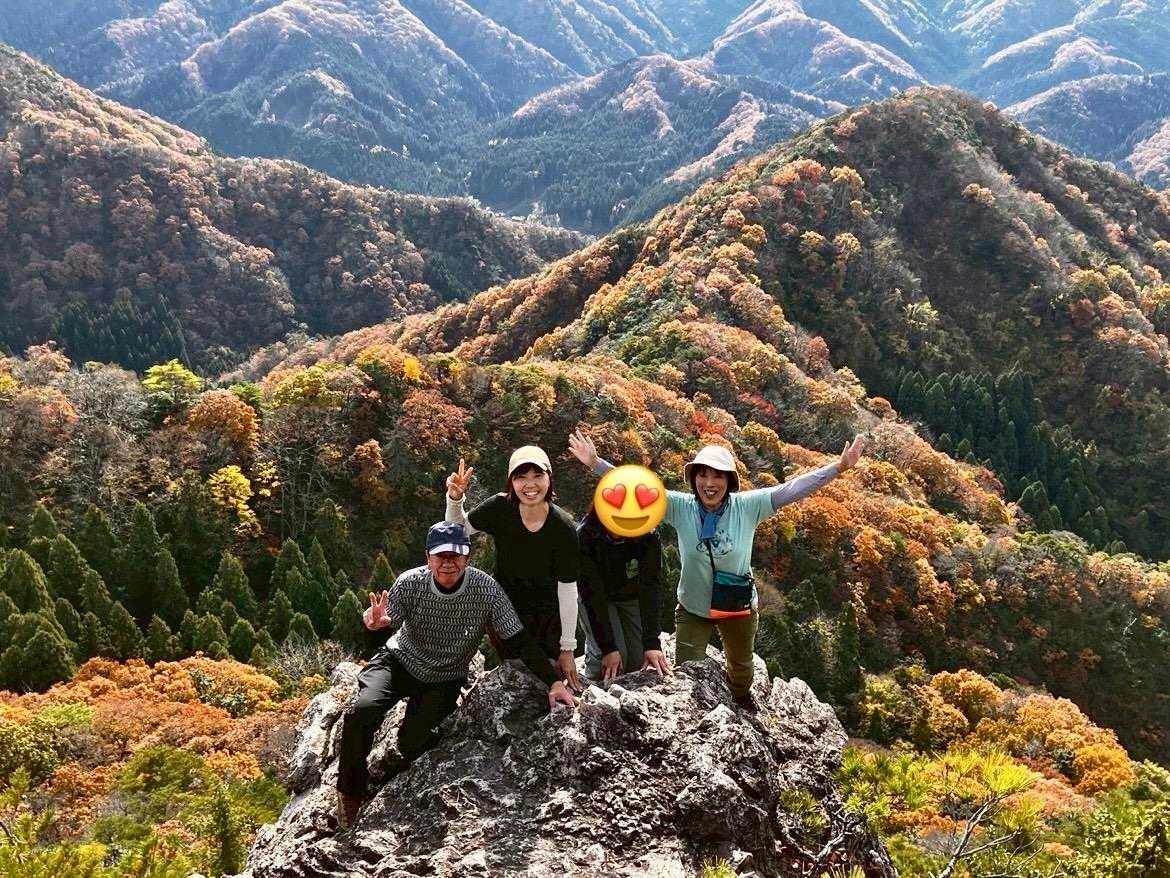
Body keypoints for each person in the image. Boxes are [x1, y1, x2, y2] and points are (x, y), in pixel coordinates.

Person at [569, 429, 864, 708]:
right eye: (703, 475)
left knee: (742, 670)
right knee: (688, 673)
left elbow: (792, 489)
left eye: (717, 476)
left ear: (729, 481)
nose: (709, 483)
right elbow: (635, 488)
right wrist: (595, 463)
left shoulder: (748, 506)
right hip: (694, 607)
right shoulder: (680, 507)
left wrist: (838, 468)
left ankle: (739, 703)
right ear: (694, 479)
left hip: (736, 605)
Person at [336, 521, 577, 830]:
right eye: (441, 556)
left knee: (413, 744)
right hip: (399, 660)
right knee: (362, 711)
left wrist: (553, 681)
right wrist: (373, 626)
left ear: (467, 557)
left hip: (445, 675)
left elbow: (517, 639)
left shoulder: (486, 590)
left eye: (455, 556)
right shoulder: (410, 583)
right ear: (428, 558)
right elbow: (382, 627)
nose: (448, 563)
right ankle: (350, 791)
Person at [444, 446, 583, 690]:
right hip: (505, 609)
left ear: (549, 478)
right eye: (521, 477)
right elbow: (457, 531)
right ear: (511, 482)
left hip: (548, 615)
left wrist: (568, 648)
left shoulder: (562, 527)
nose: (530, 484)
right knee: (519, 673)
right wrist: (455, 499)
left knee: (550, 675)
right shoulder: (500, 507)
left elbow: (568, 588)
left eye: (537, 475)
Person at [577, 508, 672, 681]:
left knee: (638, 662)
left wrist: (652, 643)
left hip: (631, 596)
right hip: (598, 599)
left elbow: (650, 587)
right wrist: (608, 648)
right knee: (610, 664)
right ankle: (593, 667)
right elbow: (592, 594)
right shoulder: (586, 535)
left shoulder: (647, 535)